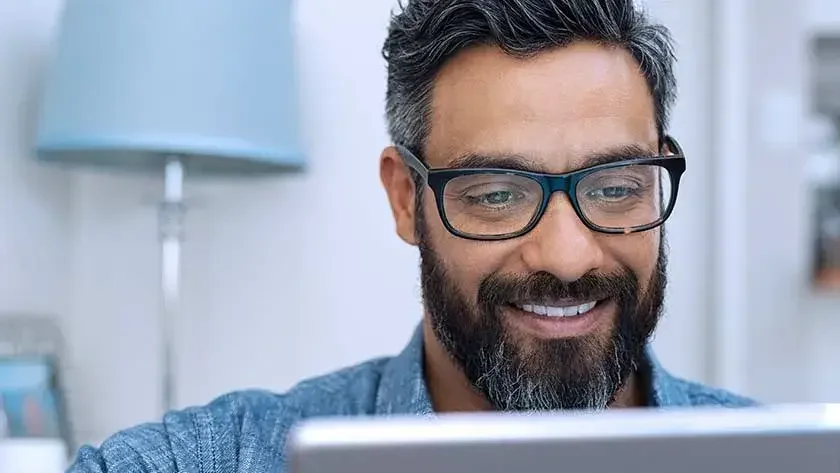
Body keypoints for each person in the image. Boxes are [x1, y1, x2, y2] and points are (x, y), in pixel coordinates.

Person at [69, 0, 756, 471]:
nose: (568, 254)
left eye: (614, 186)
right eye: (496, 193)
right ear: (405, 197)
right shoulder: (222, 458)